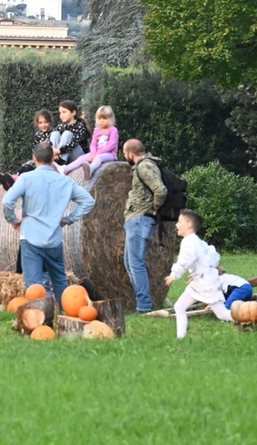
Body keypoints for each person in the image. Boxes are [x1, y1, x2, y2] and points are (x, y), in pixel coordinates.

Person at [1, 141, 96, 304]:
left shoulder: (26, 178)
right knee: (60, 283)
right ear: (53, 158)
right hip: (54, 240)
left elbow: (7, 202)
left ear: (34, 158)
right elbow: (88, 201)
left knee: (34, 287)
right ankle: (65, 317)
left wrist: (14, 220)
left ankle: (40, 321)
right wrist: (68, 219)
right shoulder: (65, 181)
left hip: (31, 240)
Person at [164, 210, 234, 338]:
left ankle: (251, 320)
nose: (176, 225)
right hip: (199, 282)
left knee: (222, 314)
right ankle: (180, 337)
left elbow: (184, 261)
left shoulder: (189, 243)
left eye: (179, 222)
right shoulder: (197, 241)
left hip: (206, 283)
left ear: (189, 225)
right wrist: (198, 273)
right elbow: (209, 259)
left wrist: (174, 275)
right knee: (179, 307)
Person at [122, 139, 167, 313]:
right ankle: (143, 302)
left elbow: (161, 190)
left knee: (136, 263)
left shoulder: (144, 166)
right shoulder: (143, 165)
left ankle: (144, 306)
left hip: (140, 219)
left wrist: (154, 208)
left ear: (130, 154)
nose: (124, 157)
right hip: (136, 219)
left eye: (125, 154)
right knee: (129, 262)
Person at [0, 109, 55, 190]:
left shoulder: (53, 133)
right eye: (40, 123)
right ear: (37, 124)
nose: (43, 125)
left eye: (46, 122)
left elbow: (52, 146)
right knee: (25, 165)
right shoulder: (38, 134)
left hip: (46, 159)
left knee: (30, 167)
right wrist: (34, 156)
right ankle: (12, 178)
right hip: (38, 157)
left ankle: (16, 180)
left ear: (50, 122)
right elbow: (34, 147)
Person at [60, 105, 119, 179]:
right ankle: (65, 169)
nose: (101, 120)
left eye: (104, 118)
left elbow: (111, 146)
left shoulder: (113, 130)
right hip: (96, 153)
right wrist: (93, 153)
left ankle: (91, 169)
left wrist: (97, 154)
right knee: (82, 158)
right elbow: (93, 144)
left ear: (110, 118)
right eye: (99, 118)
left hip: (110, 154)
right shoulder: (97, 130)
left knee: (99, 158)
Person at [50, 100, 91, 166]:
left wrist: (58, 151)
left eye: (64, 112)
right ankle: (54, 159)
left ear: (73, 112)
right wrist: (53, 149)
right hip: (63, 154)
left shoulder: (80, 126)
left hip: (78, 156)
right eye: (60, 113)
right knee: (55, 134)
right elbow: (49, 140)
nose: (61, 115)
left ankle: (60, 161)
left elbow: (73, 144)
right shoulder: (61, 126)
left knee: (67, 134)